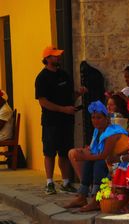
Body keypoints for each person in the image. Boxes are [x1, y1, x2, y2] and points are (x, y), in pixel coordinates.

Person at [35, 46, 86, 195]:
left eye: (58, 56)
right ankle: (49, 183)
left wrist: (78, 94)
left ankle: (66, 182)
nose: (58, 58)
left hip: (66, 121)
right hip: (51, 121)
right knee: (50, 152)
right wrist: (63, 109)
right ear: (47, 59)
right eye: (55, 56)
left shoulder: (64, 75)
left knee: (65, 152)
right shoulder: (42, 78)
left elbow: (70, 96)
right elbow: (43, 101)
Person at [64, 101, 128, 212]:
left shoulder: (112, 132)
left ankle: (95, 200)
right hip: (110, 161)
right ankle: (82, 197)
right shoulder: (98, 131)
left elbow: (103, 155)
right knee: (90, 162)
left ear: (106, 118)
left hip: (121, 163)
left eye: (99, 118)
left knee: (98, 163)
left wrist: (84, 157)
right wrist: (84, 153)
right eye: (93, 118)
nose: (95, 120)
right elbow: (95, 151)